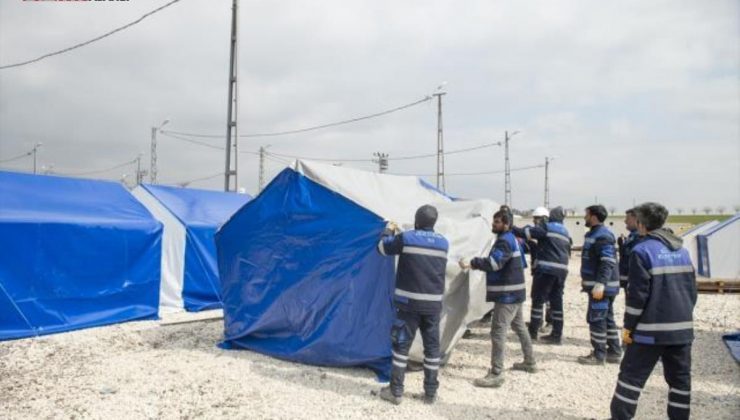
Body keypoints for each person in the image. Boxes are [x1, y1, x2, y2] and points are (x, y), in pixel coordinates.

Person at [610, 202, 697, 420]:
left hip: (649, 332)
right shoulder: (683, 251)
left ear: (641, 224)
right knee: (680, 382)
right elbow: (692, 293)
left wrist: (629, 327)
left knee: (630, 379)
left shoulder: (642, 251)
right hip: (682, 331)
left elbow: (637, 298)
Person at [376, 205, 449, 405]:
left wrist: (389, 229)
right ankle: (430, 393)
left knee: (401, 347)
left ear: (417, 220)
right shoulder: (444, 243)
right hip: (433, 306)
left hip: (409, 305)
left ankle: (396, 391)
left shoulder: (407, 238)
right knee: (432, 350)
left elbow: (382, 248)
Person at [459, 210, 536, 388]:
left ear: (507, 225)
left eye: (497, 222)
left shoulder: (504, 241)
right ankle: (530, 362)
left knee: (498, 332)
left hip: (507, 296)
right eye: (494, 222)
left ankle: (496, 373)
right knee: (519, 327)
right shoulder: (512, 239)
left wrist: (473, 263)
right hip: (516, 293)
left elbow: (494, 264)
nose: (494, 225)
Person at [513, 206, 572, 344]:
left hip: (546, 270)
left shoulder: (547, 227)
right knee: (557, 303)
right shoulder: (565, 231)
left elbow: (526, 233)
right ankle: (556, 335)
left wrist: (511, 227)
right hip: (561, 272)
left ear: (548, 217)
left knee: (538, 300)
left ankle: (533, 332)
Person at [578, 205, 622, 365]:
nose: (584, 217)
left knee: (597, 319)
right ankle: (614, 352)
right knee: (607, 319)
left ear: (594, 216)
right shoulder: (594, 234)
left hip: (602, 288)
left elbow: (607, 261)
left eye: (586, 214)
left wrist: (600, 284)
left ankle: (598, 355)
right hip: (603, 287)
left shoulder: (602, 236)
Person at [617, 208, 640, 290]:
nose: (625, 221)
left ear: (636, 220)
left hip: (635, 283)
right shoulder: (632, 236)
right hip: (628, 281)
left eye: (628, 219)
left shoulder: (640, 238)